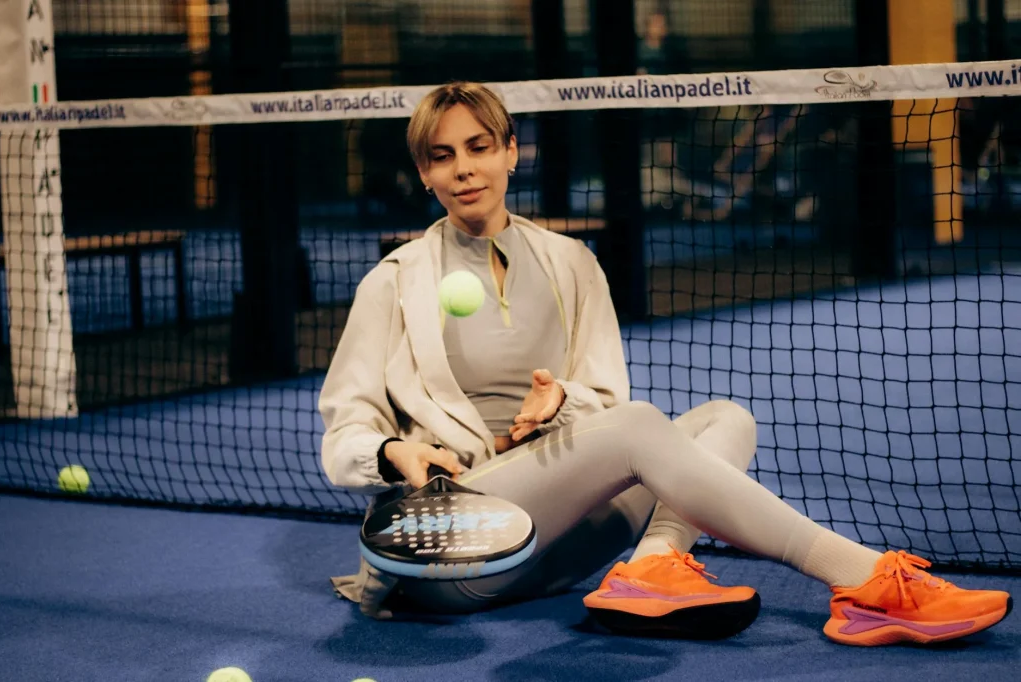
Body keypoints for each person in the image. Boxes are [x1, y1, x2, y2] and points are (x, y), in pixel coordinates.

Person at [322, 81, 1013, 645]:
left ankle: (651, 567)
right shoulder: (393, 280)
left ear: (511, 152)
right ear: (424, 172)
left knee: (726, 418)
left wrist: (561, 402)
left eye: (478, 146)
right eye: (442, 156)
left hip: (566, 547)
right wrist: (392, 453)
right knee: (641, 426)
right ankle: (864, 579)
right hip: (462, 554)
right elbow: (344, 429)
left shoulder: (572, 264)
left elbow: (602, 397)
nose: (463, 168)